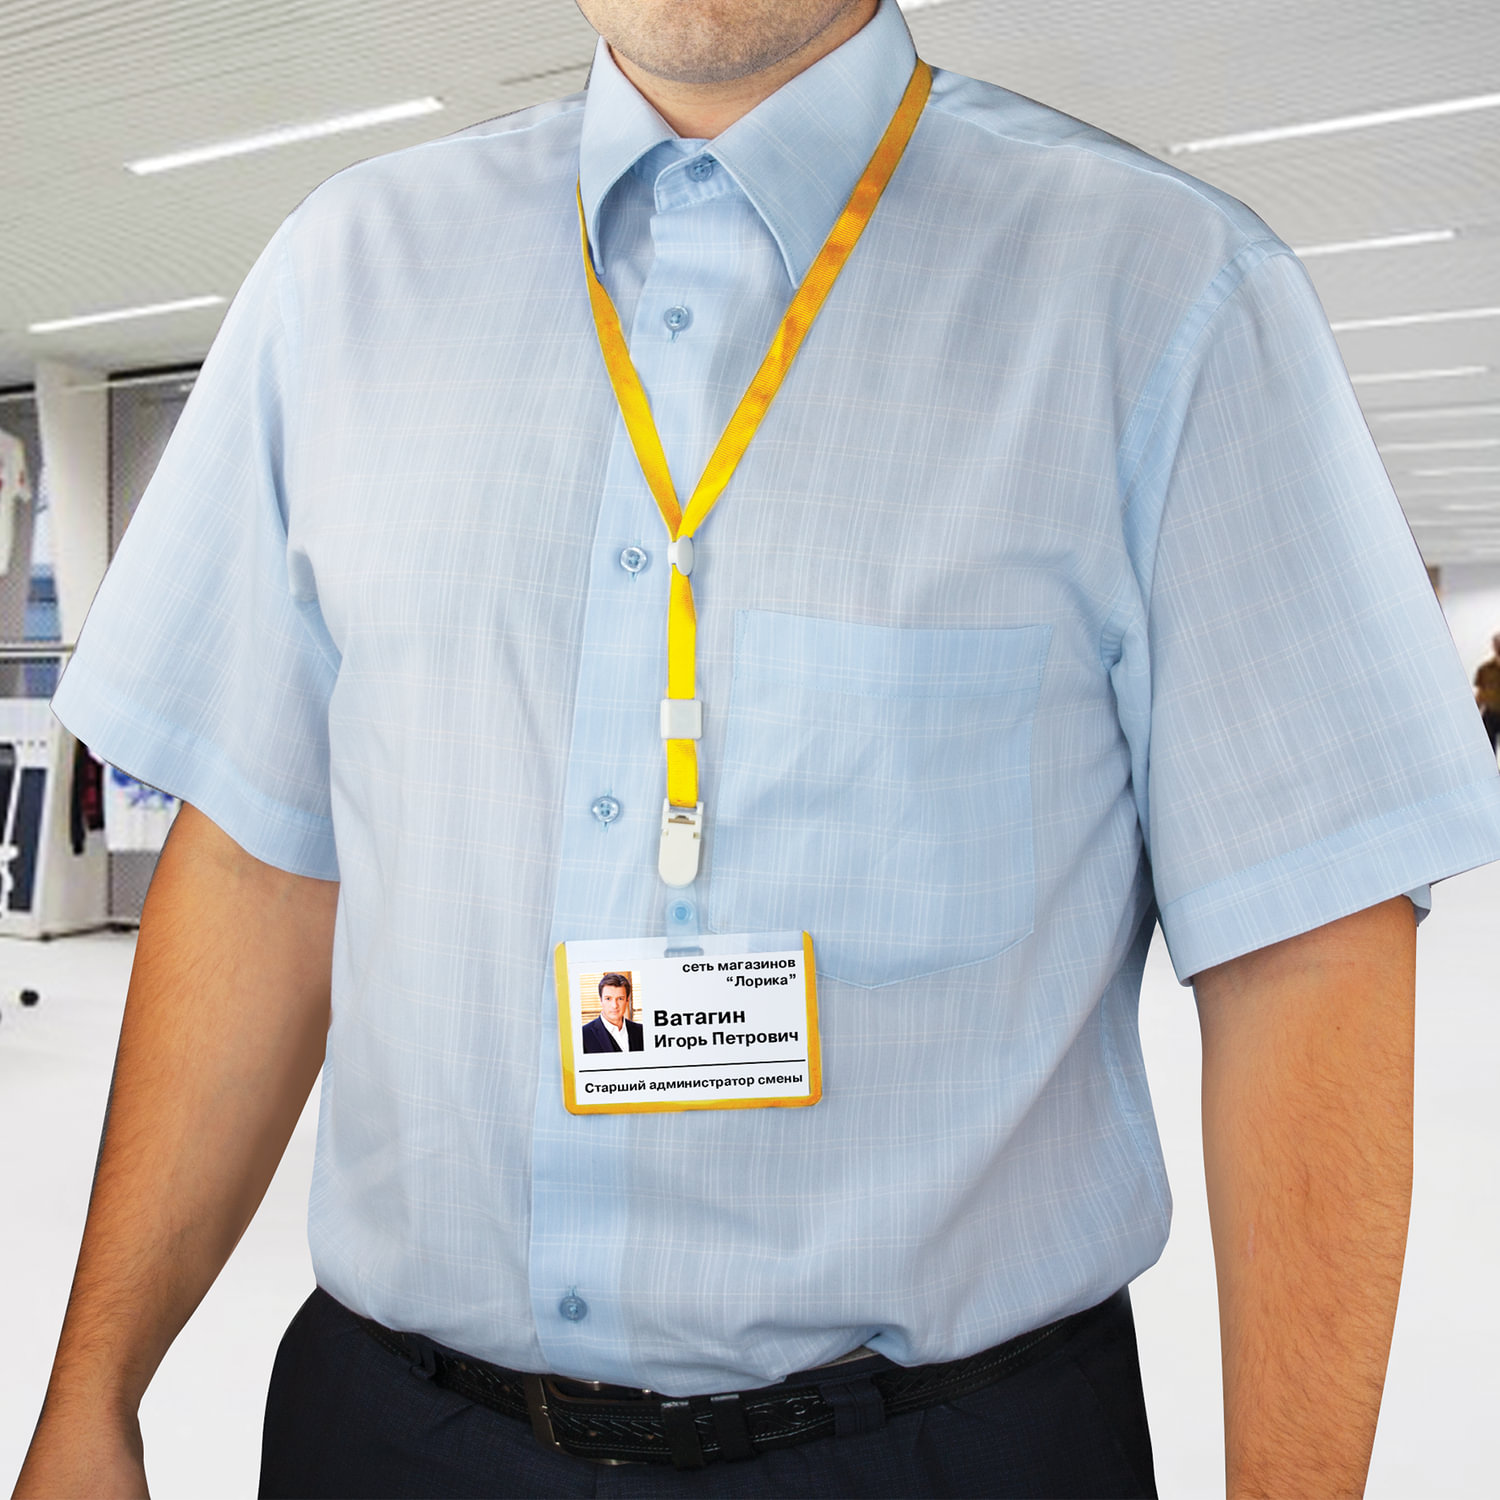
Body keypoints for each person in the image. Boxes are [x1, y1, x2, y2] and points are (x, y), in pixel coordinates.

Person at [16, 1, 1500, 1496]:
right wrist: (90, 1394)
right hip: (393, 1438)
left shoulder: (1167, 293)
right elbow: (261, 868)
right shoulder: (344, 276)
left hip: (938, 1454)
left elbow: (1307, 953)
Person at [581, 971, 644, 1051]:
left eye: (620, 998)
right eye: (608, 999)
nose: (614, 1005)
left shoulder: (641, 1031)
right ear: (601, 1000)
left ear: (627, 1000)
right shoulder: (583, 1035)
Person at [1474, 633, 1500, 754]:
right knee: (1488, 750)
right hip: (1491, 715)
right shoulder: (1485, 670)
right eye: (1497, 643)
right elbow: (1480, 695)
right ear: (1494, 646)